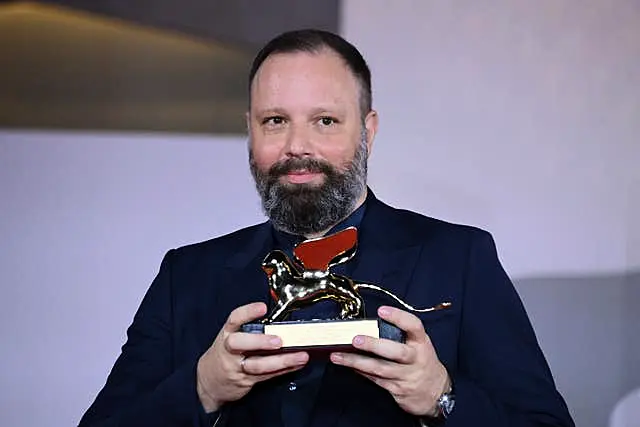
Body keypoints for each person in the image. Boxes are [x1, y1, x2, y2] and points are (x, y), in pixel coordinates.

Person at [78, 29, 575, 427]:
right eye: (274, 120)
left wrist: (442, 398)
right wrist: (202, 388)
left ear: (368, 130)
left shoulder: (460, 257)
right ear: (249, 129)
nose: (297, 145)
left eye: (325, 121)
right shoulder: (185, 274)